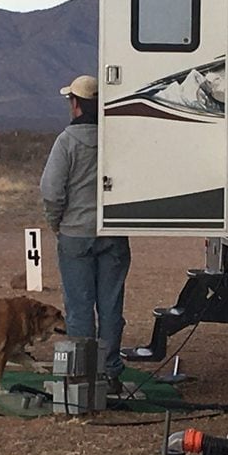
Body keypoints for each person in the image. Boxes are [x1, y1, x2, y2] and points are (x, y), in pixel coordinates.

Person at [39, 74, 131, 394]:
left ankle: (82, 378)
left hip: (75, 234)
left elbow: (51, 190)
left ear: (75, 104)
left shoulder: (66, 142)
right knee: (111, 307)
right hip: (114, 232)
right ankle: (110, 373)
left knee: (79, 309)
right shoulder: (116, 140)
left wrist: (56, 224)